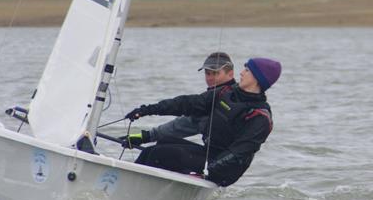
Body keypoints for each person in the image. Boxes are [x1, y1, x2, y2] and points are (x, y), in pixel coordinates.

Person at [123, 57, 282, 186]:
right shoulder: (225, 92)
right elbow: (186, 104)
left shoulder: (260, 116)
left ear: (257, 78)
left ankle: (137, 191)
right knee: (155, 147)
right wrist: (146, 110)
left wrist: (208, 171)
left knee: (160, 154)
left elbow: (239, 153)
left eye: (247, 70)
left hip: (225, 170)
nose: (241, 73)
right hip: (209, 155)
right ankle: (127, 185)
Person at [120, 52, 235, 148]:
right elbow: (179, 126)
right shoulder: (208, 103)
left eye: (215, 73)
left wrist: (146, 110)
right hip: (214, 157)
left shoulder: (230, 97)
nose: (209, 78)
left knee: (161, 150)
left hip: (221, 162)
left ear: (230, 74)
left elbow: (182, 104)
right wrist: (143, 137)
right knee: (163, 144)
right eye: (207, 73)